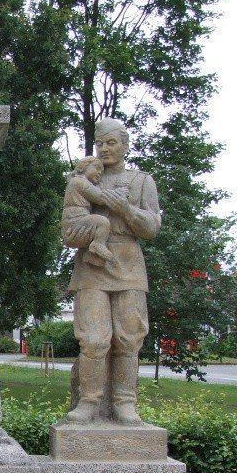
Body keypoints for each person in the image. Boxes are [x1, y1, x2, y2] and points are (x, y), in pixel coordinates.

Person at [63, 118, 161, 425]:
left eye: (111, 143)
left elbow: (151, 227)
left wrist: (125, 209)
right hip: (92, 266)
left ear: (125, 146)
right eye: (100, 143)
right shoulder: (84, 179)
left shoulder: (141, 181)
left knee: (129, 339)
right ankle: (90, 401)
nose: (105, 149)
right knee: (93, 339)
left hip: (129, 265)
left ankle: (124, 402)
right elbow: (68, 233)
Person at [61, 156, 115, 267]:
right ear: (84, 166)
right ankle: (98, 244)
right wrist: (119, 193)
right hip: (76, 220)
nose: (100, 172)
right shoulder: (80, 181)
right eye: (97, 167)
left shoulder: (77, 181)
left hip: (75, 221)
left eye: (102, 171)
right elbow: (100, 197)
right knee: (102, 222)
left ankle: (91, 256)